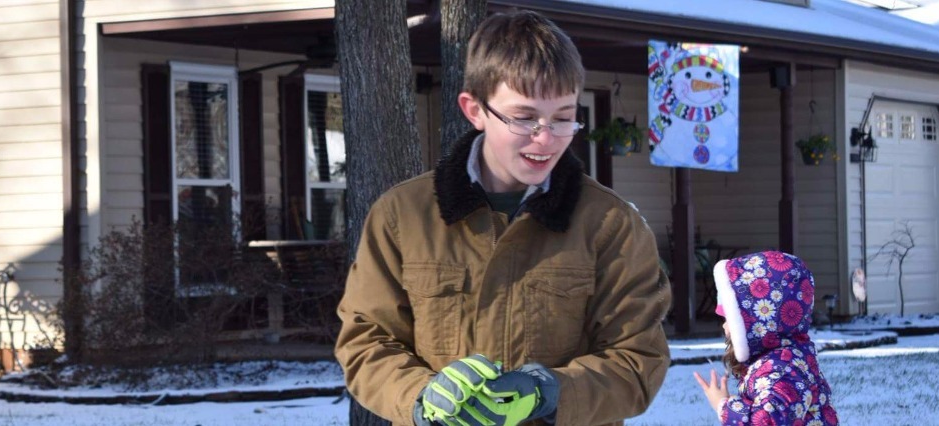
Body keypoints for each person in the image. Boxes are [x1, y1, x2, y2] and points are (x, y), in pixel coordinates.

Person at [334, 10, 671, 426]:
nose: (545, 138)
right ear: (475, 110)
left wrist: (550, 392)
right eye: (524, 117)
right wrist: (421, 395)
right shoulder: (403, 215)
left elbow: (639, 360)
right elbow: (366, 341)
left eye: (563, 118)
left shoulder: (612, 224)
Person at [694, 251, 838, 425]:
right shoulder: (779, 361)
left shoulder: (782, 369)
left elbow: (768, 422)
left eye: (729, 319)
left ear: (757, 321)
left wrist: (723, 407)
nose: (724, 326)